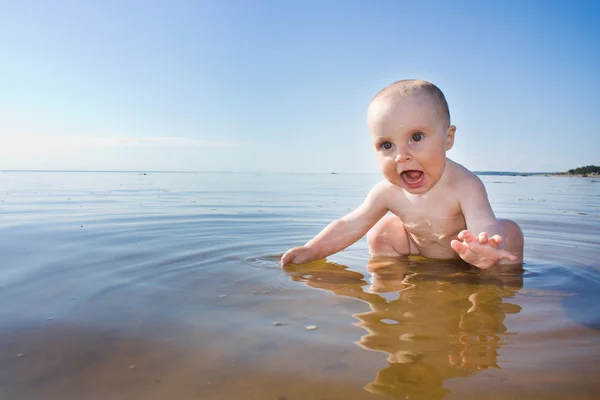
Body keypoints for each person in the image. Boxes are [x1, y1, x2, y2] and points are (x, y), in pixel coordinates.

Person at [280, 79, 523, 270]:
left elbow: (484, 221)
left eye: (416, 138)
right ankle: (389, 281)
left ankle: (494, 289)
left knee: (509, 232)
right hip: (418, 251)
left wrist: (484, 245)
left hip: (467, 257)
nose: (401, 155)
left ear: (447, 139)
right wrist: (312, 250)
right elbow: (350, 224)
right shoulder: (387, 192)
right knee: (382, 230)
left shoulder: (464, 184)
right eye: (387, 145)